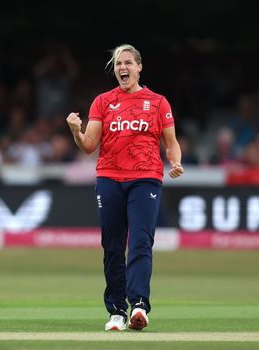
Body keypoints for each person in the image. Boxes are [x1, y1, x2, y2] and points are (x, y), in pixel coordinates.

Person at [66, 44, 184, 331]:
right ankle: (117, 311)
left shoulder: (158, 102)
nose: (123, 68)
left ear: (139, 67)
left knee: (141, 242)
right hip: (109, 178)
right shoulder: (103, 102)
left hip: (146, 178)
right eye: (119, 64)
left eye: (128, 63)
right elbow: (89, 146)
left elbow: (171, 142)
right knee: (113, 246)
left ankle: (140, 306)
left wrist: (175, 162)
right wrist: (75, 132)